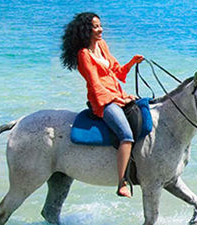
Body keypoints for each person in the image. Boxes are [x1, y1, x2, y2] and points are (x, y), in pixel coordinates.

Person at [60, 12, 144, 198]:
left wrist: (132, 62)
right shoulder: (84, 54)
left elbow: (118, 73)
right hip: (102, 102)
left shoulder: (102, 45)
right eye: (96, 27)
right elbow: (94, 84)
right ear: (86, 30)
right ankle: (122, 182)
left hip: (117, 95)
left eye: (100, 25)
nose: (101, 29)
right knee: (126, 136)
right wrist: (116, 100)